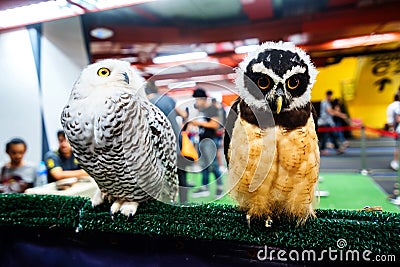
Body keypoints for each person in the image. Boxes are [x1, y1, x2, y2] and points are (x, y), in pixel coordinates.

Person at [145, 80, 189, 203]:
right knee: (181, 173)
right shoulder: (168, 99)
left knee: (160, 175)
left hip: (158, 144)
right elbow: (184, 114)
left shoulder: (146, 103)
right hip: (176, 140)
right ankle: (184, 201)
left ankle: (167, 202)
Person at [190, 88, 223, 198]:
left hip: (210, 140)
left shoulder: (212, 109)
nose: (196, 102)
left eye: (197, 99)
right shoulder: (202, 110)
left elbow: (215, 125)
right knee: (204, 165)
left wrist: (197, 122)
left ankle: (219, 188)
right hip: (202, 140)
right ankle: (204, 187)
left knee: (213, 165)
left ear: (203, 99)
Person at [317, 90, 347, 156]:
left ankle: (337, 148)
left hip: (329, 122)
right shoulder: (325, 102)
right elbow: (330, 111)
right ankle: (323, 149)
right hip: (325, 122)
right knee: (326, 136)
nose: (330, 97)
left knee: (333, 135)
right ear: (328, 95)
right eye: (330, 96)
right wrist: (341, 115)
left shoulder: (328, 102)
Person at [386, 93, 400, 171]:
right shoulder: (396, 106)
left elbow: (390, 119)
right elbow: (398, 118)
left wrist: (391, 127)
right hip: (398, 129)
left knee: (398, 147)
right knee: (398, 147)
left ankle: (395, 162)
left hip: (396, 128)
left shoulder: (391, 106)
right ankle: (395, 162)